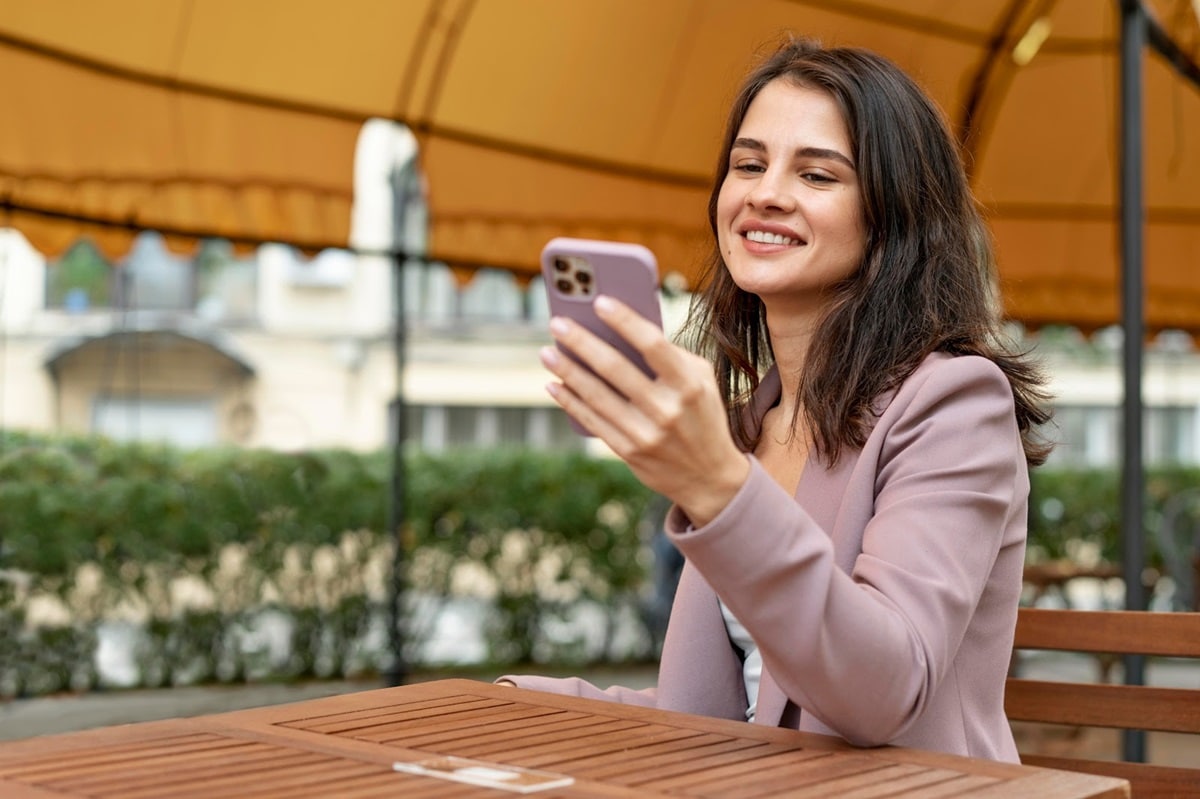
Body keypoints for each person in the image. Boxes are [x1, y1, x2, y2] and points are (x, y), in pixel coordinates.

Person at [500, 35, 1052, 762]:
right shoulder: (751, 421)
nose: (765, 193)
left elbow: (884, 689)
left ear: (893, 216)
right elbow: (713, 711)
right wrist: (509, 703)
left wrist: (719, 487)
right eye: (748, 164)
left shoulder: (954, 404)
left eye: (817, 175)